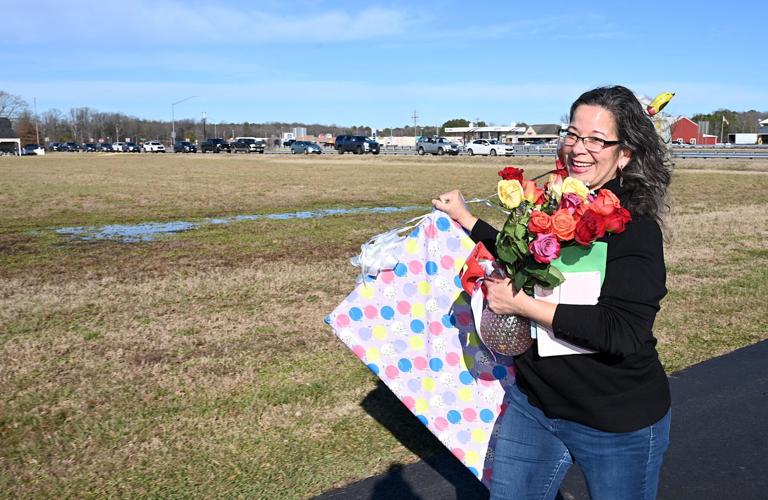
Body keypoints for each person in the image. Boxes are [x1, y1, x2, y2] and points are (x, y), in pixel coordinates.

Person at [432, 85, 673, 500]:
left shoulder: (635, 229)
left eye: (597, 140)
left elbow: (622, 331)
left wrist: (522, 304)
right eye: (574, 134)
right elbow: (519, 254)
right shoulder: (553, 207)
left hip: (615, 419)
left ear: (625, 154)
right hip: (536, 405)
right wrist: (467, 219)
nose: (579, 149)